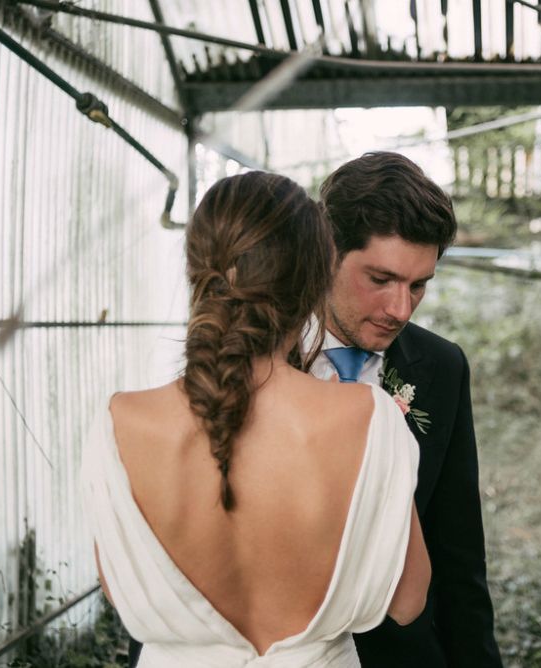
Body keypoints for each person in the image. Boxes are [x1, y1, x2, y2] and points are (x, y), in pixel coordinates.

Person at [82, 171, 430, 667]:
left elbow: (120, 590)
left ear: (198, 272)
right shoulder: (366, 415)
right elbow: (407, 600)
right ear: (314, 282)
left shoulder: (120, 423)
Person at [315, 152, 503, 667]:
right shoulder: (254, 358)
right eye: (380, 279)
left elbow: (459, 551)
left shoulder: (441, 367)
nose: (401, 309)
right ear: (325, 251)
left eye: (418, 285)